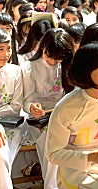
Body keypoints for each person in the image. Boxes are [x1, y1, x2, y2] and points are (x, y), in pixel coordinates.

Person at [46, 43, 98, 188]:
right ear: (86, 72)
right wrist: (89, 157)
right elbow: (53, 153)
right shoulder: (66, 108)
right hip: (76, 170)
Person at [22, 28, 75, 185]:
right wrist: (32, 107)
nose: (52, 62)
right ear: (42, 46)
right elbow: (26, 102)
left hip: (63, 115)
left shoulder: (66, 66)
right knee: (53, 140)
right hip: (40, 119)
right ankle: (52, 184)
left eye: (57, 60)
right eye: (49, 57)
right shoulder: (29, 68)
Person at [0, 28, 25, 189]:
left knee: (0, 151)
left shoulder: (16, 72)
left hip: (11, 125)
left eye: (8, 48)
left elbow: (16, 107)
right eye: (0, 49)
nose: (6, 53)